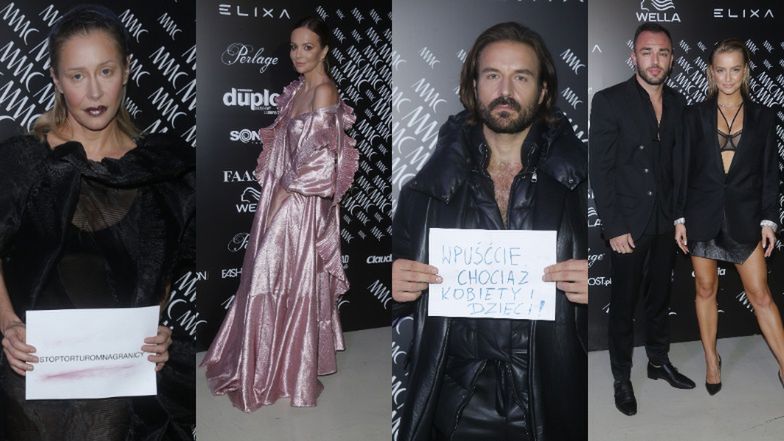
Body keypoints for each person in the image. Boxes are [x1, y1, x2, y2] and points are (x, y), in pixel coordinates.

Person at [0, 5, 195, 440]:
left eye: (106, 71)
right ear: (56, 80)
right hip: (35, 380)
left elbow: (162, 265)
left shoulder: (162, 168)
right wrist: (8, 323)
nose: (93, 91)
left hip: (122, 380)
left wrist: (152, 327)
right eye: (77, 76)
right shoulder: (25, 162)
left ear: (126, 71)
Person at [392, 22, 587, 441]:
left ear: (544, 91)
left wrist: (599, 285)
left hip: (554, 393)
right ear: (473, 86)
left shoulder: (584, 184)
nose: (506, 90)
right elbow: (389, 300)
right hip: (456, 398)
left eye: (522, 77)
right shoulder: (425, 192)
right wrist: (394, 281)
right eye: (493, 75)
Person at [201, 16, 359, 411]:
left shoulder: (324, 91)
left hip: (301, 203)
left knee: (273, 275)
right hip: (282, 192)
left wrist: (282, 195)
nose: (298, 54)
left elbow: (321, 161)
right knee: (270, 274)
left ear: (324, 50)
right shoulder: (297, 90)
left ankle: (279, 368)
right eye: (293, 47)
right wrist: (273, 192)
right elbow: (284, 150)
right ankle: (265, 360)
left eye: (307, 47)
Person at [589, 22, 695, 417]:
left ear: (672, 59)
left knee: (660, 298)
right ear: (633, 56)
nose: (655, 60)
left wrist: (681, 216)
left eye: (663, 53)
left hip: (666, 222)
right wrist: (614, 226)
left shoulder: (680, 104)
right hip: (628, 226)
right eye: (647, 52)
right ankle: (621, 377)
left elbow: (681, 167)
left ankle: (658, 362)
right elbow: (601, 170)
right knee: (623, 305)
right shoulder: (609, 100)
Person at [673, 38, 784, 394]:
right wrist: (679, 218)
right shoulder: (693, 116)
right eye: (721, 70)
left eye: (735, 69)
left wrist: (769, 221)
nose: (728, 77)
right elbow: (681, 169)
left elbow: (770, 173)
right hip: (701, 215)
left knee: (760, 295)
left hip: (745, 218)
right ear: (711, 72)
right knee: (705, 289)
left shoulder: (764, 117)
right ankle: (711, 360)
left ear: (745, 71)